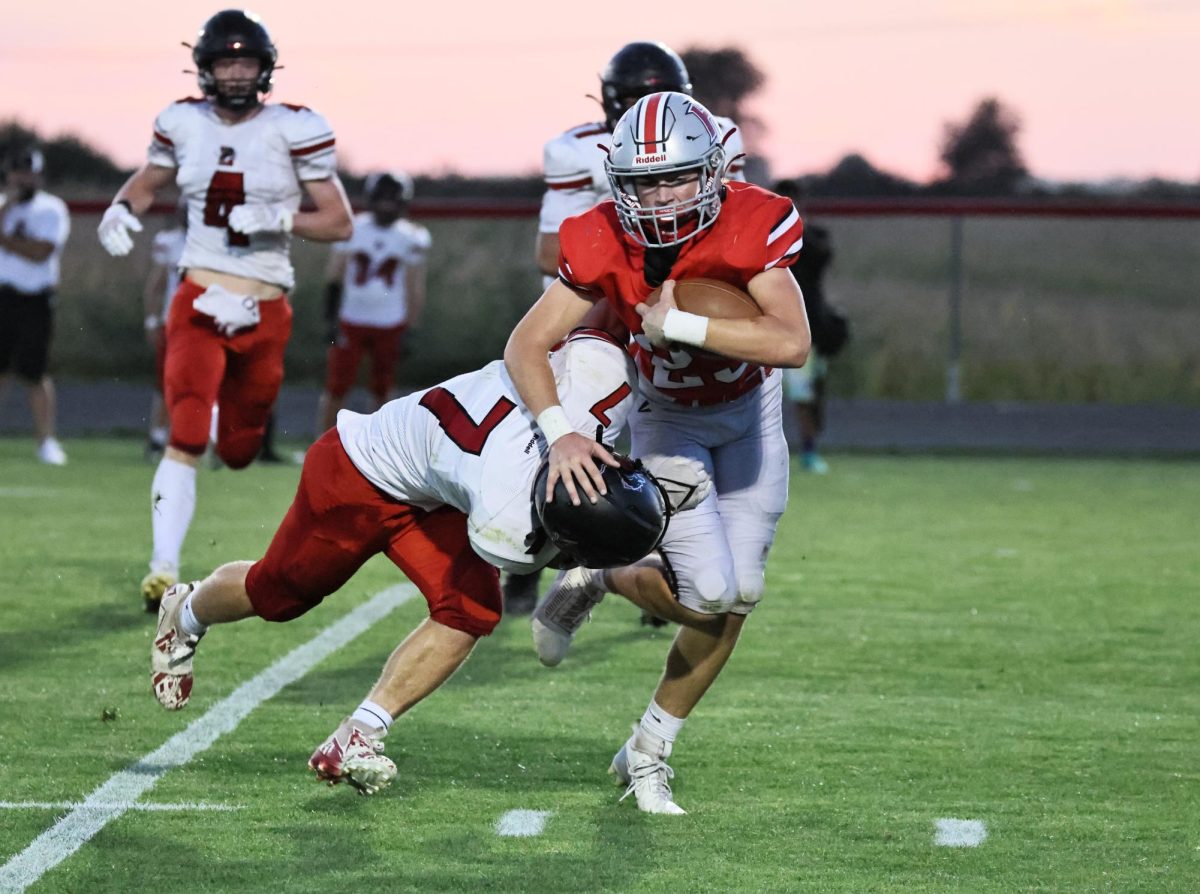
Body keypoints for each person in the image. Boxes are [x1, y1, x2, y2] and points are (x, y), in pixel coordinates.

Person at [149, 329, 699, 796]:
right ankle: (188, 610)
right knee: (279, 594)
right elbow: (553, 551)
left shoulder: (601, 378)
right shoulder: (508, 513)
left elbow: (588, 335)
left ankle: (357, 734)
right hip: (358, 473)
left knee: (470, 609)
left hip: (438, 490)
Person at [504, 92, 810, 815]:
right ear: (618, 180)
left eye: (675, 178)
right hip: (668, 418)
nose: (661, 196)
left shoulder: (752, 221)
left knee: (740, 595)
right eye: (644, 183)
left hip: (750, 411)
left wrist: (683, 324)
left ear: (712, 171)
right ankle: (601, 578)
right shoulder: (599, 235)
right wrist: (560, 431)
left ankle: (649, 747)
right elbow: (526, 342)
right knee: (709, 595)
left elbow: (791, 344)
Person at [97, 10, 353, 612]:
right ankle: (162, 568)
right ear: (205, 69)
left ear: (265, 70)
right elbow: (148, 178)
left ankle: (221, 429)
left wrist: (278, 217)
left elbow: (339, 221)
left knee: (238, 449)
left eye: (245, 63)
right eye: (224, 63)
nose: (235, 75)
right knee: (186, 431)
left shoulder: (295, 128)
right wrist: (121, 207)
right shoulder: (181, 121)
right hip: (200, 297)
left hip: (266, 309)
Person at [503, 40, 747, 616]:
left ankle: (650, 556)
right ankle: (530, 555)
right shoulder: (574, 150)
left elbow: (729, 232)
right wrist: (618, 256)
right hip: (594, 307)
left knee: (664, 442)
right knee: (565, 435)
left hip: (669, 304)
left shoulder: (717, 135)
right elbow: (548, 252)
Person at [316, 171, 430, 435]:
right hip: (351, 319)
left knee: (382, 388)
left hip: (390, 322)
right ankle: (322, 444)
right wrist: (330, 319)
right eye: (382, 198)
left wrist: (410, 328)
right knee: (336, 386)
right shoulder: (353, 227)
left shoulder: (412, 236)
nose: (386, 205)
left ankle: (377, 448)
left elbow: (414, 287)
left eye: (392, 199)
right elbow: (335, 275)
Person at [0, 146, 71, 466]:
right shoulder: (4, 207)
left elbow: (40, 252)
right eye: (17, 172)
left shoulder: (50, 209)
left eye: (28, 172)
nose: (22, 178)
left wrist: (5, 239)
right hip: (3, 295)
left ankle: (46, 441)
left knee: (35, 371)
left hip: (34, 297)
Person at [774, 179, 849, 474]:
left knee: (807, 395)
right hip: (767, 326)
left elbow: (822, 256)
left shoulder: (812, 236)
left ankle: (808, 451)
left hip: (804, 329)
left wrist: (795, 227)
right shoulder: (761, 237)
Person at [142, 205, 187, 461]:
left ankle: (201, 438)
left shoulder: (219, 243)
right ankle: (158, 436)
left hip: (210, 323)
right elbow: (155, 286)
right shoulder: (169, 242)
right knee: (167, 382)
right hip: (175, 322)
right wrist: (151, 320)